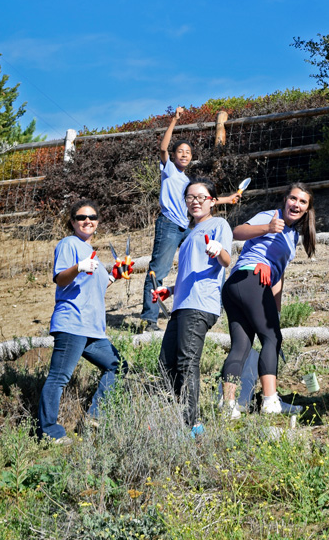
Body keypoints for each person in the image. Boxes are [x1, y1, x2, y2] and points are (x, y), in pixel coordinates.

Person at [219, 183, 316, 416]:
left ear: (307, 209)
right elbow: (237, 232)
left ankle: (228, 406)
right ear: (285, 199)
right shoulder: (271, 216)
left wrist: (277, 308)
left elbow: (278, 274)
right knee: (271, 338)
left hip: (239, 286)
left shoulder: (293, 235)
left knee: (241, 346)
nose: (296, 204)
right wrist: (268, 228)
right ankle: (270, 401)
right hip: (250, 279)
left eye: (302, 202)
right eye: (293, 198)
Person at [140, 106, 240, 330]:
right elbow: (162, 147)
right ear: (173, 155)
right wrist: (174, 120)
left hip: (188, 227)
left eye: (188, 152)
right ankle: (149, 318)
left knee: (208, 262)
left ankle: (213, 305)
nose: (184, 154)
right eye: (180, 151)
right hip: (169, 225)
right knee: (160, 268)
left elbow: (205, 199)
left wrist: (228, 199)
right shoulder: (169, 170)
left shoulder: (188, 182)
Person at [38, 199, 129, 443]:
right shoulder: (68, 244)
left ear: (98, 223)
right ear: (72, 222)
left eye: (92, 217)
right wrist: (78, 267)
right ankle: (49, 431)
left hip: (93, 329)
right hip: (72, 322)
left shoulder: (92, 253)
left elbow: (96, 289)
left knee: (118, 366)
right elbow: (60, 279)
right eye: (81, 217)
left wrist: (114, 276)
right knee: (59, 377)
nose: (87, 221)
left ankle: (93, 418)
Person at [152, 178, 233, 436]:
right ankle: (177, 416)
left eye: (201, 197)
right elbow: (193, 270)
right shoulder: (189, 236)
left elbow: (225, 260)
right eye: (190, 197)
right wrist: (171, 290)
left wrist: (219, 250)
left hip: (200, 305)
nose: (195, 201)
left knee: (187, 361)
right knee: (166, 362)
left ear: (212, 200)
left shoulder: (218, 224)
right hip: (182, 305)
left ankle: (192, 425)